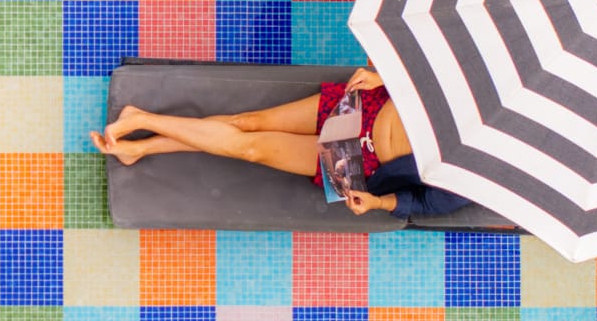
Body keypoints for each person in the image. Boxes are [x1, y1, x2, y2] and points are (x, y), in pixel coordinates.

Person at [90, 67, 471, 219]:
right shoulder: (474, 93)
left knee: (250, 147)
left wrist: (377, 202)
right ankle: (140, 131)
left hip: (358, 161)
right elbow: (429, 68)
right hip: (365, 107)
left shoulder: (483, 179)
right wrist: (384, 76)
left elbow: (426, 203)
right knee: (247, 122)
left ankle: (141, 133)